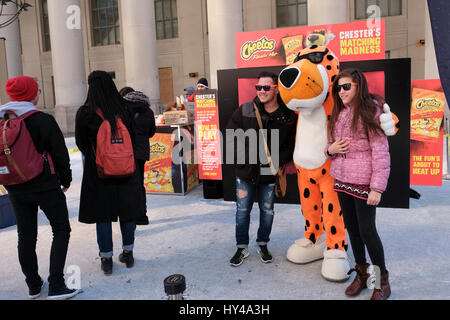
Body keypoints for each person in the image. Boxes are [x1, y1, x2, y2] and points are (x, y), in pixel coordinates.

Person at [1, 76, 78, 300]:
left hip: (14, 185)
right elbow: (60, 154)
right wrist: (66, 179)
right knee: (61, 229)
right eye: (37, 90)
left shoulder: (2, 117)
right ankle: (56, 285)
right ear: (31, 94)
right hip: (45, 184)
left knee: (25, 236)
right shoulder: (42, 119)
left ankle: (33, 286)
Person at [326, 68, 391, 300]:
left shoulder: (371, 111)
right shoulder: (340, 113)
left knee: (367, 231)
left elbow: (381, 152)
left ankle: (382, 280)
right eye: (338, 87)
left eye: (346, 87)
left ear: (358, 86)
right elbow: (331, 145)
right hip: (342, 180)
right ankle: (361, 273)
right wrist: (330, 150)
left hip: (364, 183)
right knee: (352, 229)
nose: (341, 91)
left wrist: (377, 187)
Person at [76, 71, 146, 275]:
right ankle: (128, 252)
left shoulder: (85, 112)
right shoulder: (124, 109)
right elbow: (132, 139)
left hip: (98, 173)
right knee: (127, 211)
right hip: (126, 170)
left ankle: (106, 258)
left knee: (103, 215)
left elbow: (81, 143)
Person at [226, 71, 297, 266]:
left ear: (276, 89)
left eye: (267, 87)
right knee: (242, 211)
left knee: (267, 211)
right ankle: (241, 248)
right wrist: (245, 159)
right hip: (245, 171)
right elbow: (231, 136)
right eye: (259, 87)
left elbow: (290, 144)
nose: (262, 91)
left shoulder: (287, 115)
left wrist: (277, 160)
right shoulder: (245, 109)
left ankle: (263, 243)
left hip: (269, 171)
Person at [121, 90, 156, 224]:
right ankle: (142, 216)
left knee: (127, 184)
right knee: (139, 184)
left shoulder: (124, 110)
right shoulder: (148, 111)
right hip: (141, 152)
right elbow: (151, 132)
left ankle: (129, 215)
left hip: (126, 152)